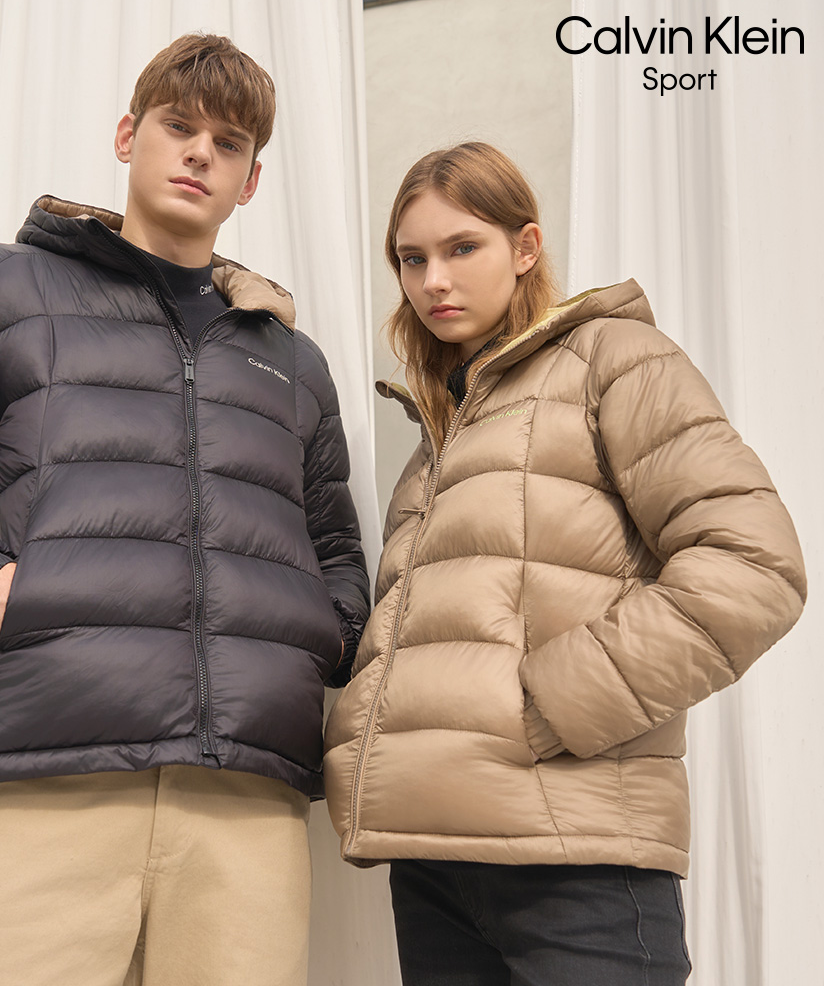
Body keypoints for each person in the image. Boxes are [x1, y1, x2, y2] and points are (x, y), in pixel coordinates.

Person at [0, 33, 368, 986]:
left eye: (229, 143)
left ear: (250, 181)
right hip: (30, 779)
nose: (200, 152)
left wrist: (312, 643)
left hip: (243, 811)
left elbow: (337, 557)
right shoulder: (1, 290)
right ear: (128, 136)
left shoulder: (292, 362)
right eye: (178, 125)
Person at [323, 141, 805, 985]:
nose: (434, 280)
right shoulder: (441, 431)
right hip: (433, 861)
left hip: (580, 860)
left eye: (462, 247)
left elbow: (755, 566)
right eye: (412, 258)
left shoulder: (615, 359)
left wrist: (551, 706)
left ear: (525, 247)